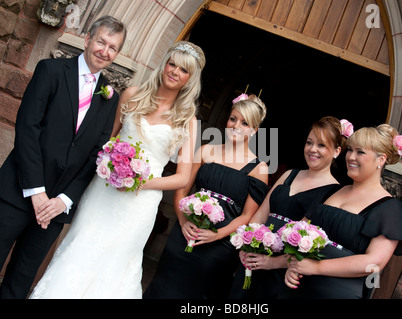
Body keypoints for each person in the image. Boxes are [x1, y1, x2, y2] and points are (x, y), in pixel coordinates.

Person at [28, 41, 206, 299]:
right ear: (164, 64)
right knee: (80, 248)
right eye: (172, 64)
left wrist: (137, 182)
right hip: (103, 191)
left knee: (116, 263)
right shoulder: (131, 95)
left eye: (183, 70)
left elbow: (182, 178)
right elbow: (106, 142)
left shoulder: (188, 119)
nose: (174, 72)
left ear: (190, 79)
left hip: (139, 204)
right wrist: (110, 167)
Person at [0, 16, 126, 299]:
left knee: (19, 282)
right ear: (87, 39)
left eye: (113, 47)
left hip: (55, 209)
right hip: (17, 192)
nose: (105, 51)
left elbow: (96, 154)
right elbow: (27, 129)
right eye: (101, 42)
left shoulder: (110, 96)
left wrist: (64, 200)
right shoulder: (51, 70)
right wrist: (36, 192)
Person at [144, 93, 269, 299]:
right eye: (233, 119)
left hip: (219, 247)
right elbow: (182, 189)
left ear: (255, 130)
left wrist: (217, 235)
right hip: (185, 235)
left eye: (245, 123)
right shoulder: (205, 151)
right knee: (164, 288)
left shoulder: (259, 168)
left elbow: (248, 216)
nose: (236, 126)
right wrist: (183, 222)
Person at [284, 124, 402, 299]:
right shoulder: (333, 190)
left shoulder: (388, 208)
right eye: (350, 150)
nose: (351, 157)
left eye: (360, 152)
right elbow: (300, 230)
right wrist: (293, 264)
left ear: (381, 160)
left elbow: (374, 262)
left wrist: (316, 267)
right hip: (297, 288)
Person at [229, 116, 345, 298]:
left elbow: (307, 242)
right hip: (253, 261)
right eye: (309, 142)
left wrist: (271, 263)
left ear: (337, 151)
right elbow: (260, 215)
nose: (312, 149)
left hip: (281, 273)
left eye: (321, 145)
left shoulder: (334, 193)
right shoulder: (289, 175)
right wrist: (246, 244)